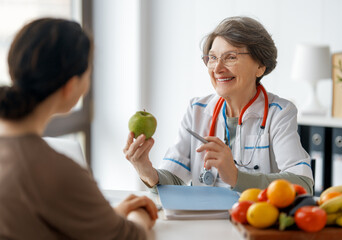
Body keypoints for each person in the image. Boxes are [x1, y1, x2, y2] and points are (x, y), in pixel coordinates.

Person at [0, 18, 157, 240]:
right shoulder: (55, 171)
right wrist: (140, 214)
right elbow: (131, 237)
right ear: (71, 86)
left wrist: (105, 217)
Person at [124, 16, 314, 194]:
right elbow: (173, 180)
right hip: (204, 224)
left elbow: (303, 185)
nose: (218, 68)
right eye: (213, 58)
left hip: (253, 223)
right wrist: (146, 170)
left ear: (260, 66)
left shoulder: (279, 113)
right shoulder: (196, 110)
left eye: (230, 57)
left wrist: (237, 177)